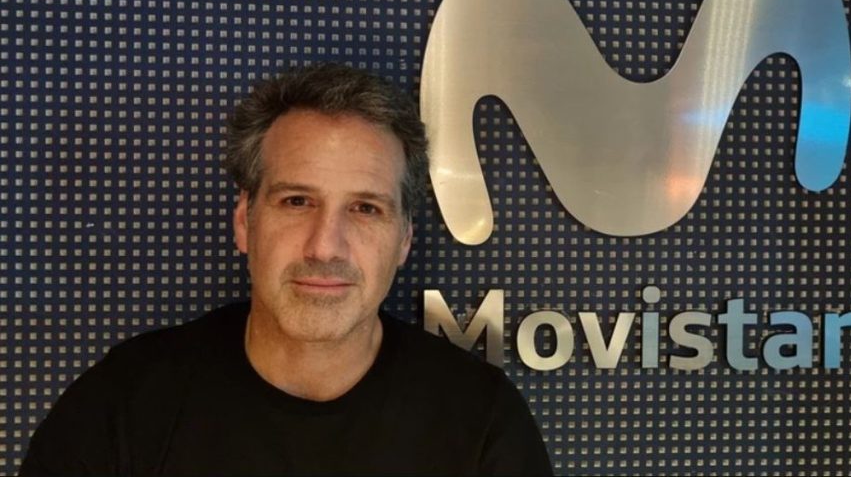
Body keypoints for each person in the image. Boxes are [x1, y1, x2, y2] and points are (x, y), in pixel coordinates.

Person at [19, 63, 553, 476]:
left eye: (365, 208)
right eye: (297, 201)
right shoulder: (124, 405)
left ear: (404, 239)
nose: (325, 246)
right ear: (244, 222)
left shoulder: (481, 420)